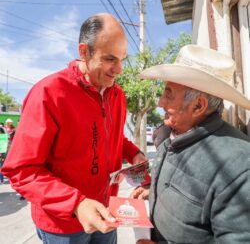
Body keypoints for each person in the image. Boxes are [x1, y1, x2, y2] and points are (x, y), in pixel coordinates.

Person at [2, 13, 146, 244]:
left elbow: (113, 138)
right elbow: (21, 170)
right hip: (63, 225)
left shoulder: (116, 94)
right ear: (83, 51)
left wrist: (133, 153)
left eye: (122, 59)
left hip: (107, 211)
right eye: (110, 59)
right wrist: (76, 203)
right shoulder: (49, 93)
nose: (118, 70)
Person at [131, 44, 250, 244]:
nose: (160, 102)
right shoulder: (173, 134)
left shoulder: (239, 167)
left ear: (198, 105)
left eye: (168, 94)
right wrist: (155, 193)